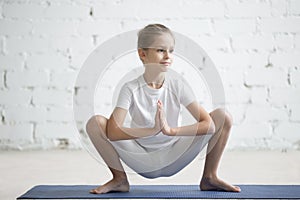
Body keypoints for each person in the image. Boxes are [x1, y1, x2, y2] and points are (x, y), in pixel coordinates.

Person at [86, 24, 241, 194]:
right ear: (142, 54)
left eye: (171, 51)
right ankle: (119, 179)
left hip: (175, 155)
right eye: (161, 50)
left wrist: (170, 130)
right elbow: (113, 132)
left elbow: (209, 125)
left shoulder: (177, 86)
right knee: (96, 123)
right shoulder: (130, 88)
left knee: (223, 117)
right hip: (141, 157)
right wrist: (152, 130)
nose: (168, 56)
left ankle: (209, 177)